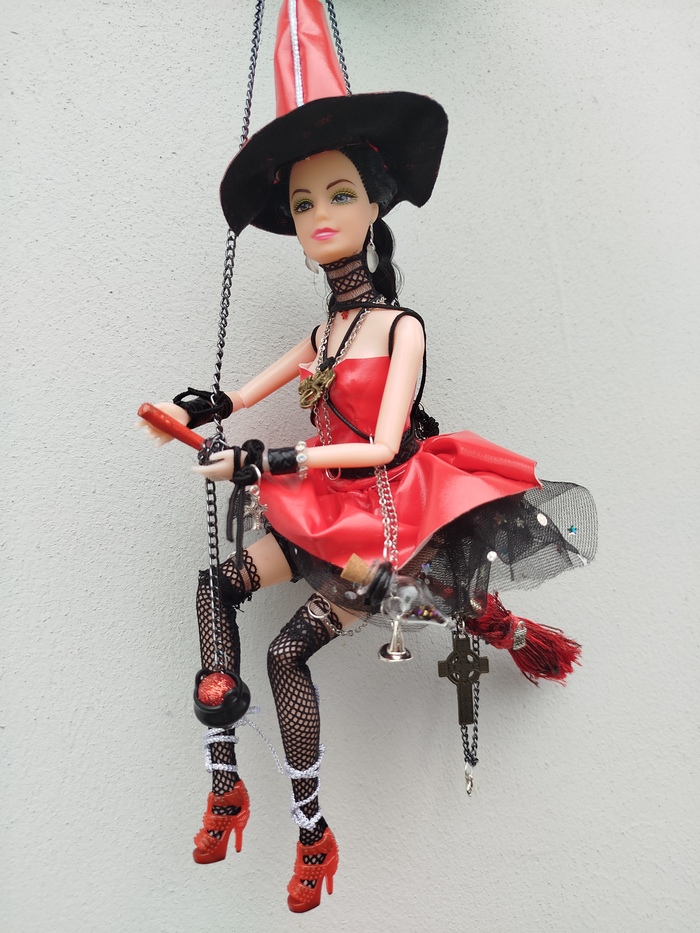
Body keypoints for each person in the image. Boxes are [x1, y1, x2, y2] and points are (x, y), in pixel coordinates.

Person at [139, 0, 596, 913]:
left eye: (338, 194)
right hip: (320, 511)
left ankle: (313, 834)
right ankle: (224, 777)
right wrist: (198, 409)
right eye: (303, 201)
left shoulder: (399, 327)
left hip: (382, 531)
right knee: (215, 586)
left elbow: (383, 445)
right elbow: (244, 393)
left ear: (376, 203)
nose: (318, 215)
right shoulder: (324, 333)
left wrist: (265, 463)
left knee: (288, 654)